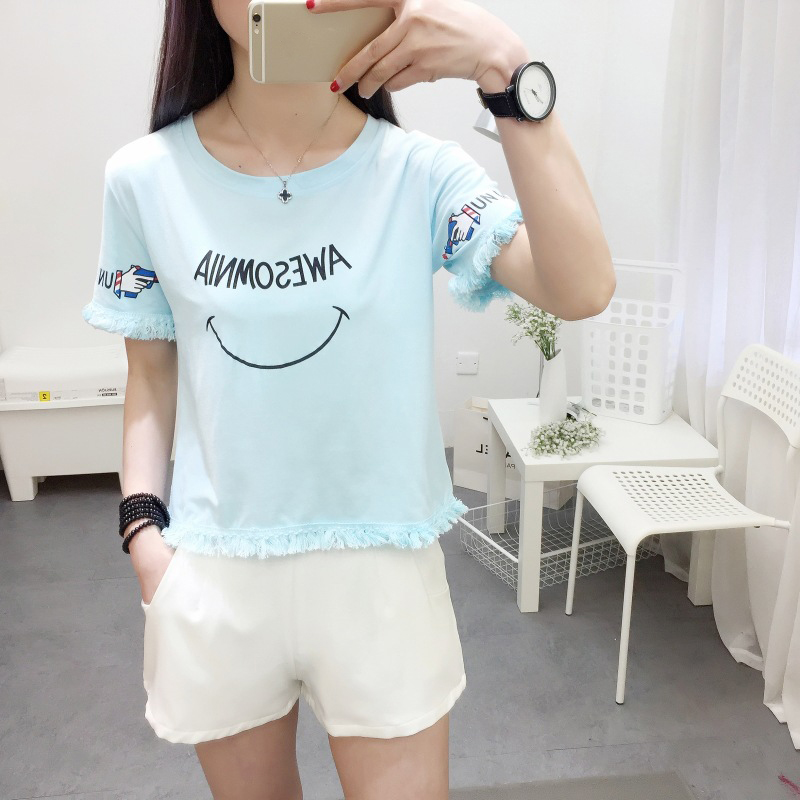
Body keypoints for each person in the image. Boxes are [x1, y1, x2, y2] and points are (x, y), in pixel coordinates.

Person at [81, 0, 614, 796]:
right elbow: (151, 375)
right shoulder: (144, 179)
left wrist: (504, 67)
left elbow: (581, 286)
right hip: (215, 572)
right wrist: (143, 536)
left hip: (382, 579)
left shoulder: (419, 175)